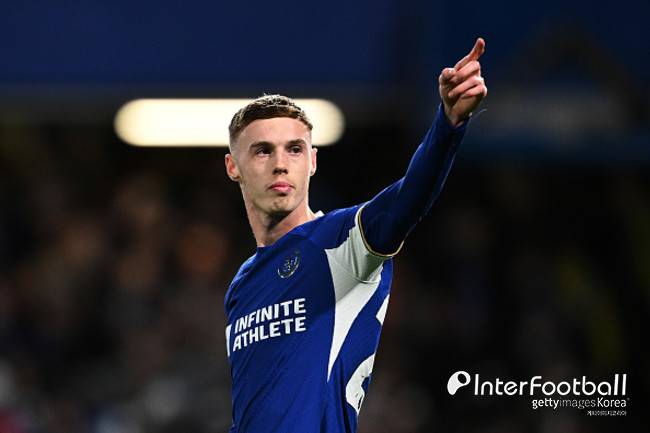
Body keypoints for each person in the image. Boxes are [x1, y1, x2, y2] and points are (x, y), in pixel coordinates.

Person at [223, 37, 488, 433]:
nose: (280, 164)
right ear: (233, 167)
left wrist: (448, 125)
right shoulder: (241, 286)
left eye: (294, 149)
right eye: (263, 151)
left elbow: (407, 199)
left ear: (312, 161)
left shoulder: (340, 243)